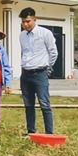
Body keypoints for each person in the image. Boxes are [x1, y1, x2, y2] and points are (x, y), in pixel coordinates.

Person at [18, 7, 58, 136]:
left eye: (28, 21)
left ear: (35, 19)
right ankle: (31, 132)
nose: (26, 24)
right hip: (25, 74)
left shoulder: (45, 33)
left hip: (40, 73)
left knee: (44, 104)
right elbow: (24, 53)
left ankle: (49, 133)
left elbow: (53, 52)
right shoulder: (22, 35)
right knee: (28, 105)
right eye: (23, 22)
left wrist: (47, 67)